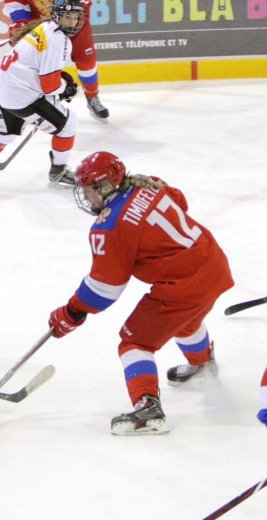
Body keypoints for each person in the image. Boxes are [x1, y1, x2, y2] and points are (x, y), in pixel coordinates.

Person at [47, 151, 233, 436]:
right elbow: (179, 201)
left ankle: (148, 409)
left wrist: (72, 311)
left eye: (89, 190)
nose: (86, 197)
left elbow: (105, 287)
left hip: (185, 283)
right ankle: (203, 364)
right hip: (213, 264)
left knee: (134, 342)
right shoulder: (147, 183)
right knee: (185, 322)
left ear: (107, 186)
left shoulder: (109, 225)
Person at [0, 0, 82, 189]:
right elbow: (49, 86)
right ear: (57, 16)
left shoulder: (42, 27)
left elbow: (37, 67)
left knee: (3, 135)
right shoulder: (59, 39)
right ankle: (58, 171)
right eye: (68, 16)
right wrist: (67, 88)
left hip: (1, 90)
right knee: (69, 124)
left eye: (76, 16)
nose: (73, 21)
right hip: (23, 96)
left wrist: (59, 84)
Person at [4, 0, 109, 123]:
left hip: (71, 16)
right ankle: (34, 102)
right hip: (41, 23)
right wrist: (20, 22)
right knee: (35, 61)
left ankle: (92, 97)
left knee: (85, 58)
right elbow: (16, 1)